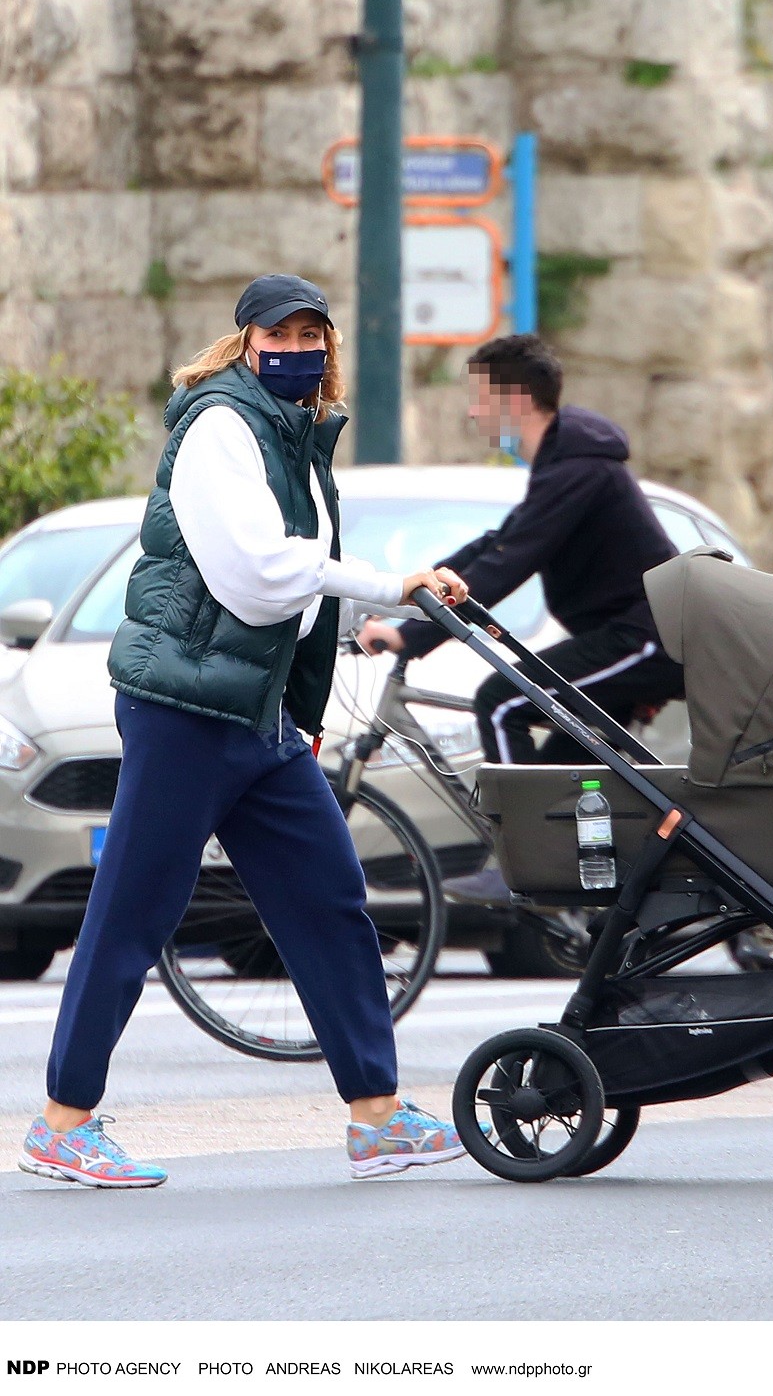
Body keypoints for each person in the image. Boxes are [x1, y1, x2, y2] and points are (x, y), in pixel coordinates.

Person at [20, 273, 470, 1189]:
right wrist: (391, 584)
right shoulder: (221, 428)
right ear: (246, 343)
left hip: (255, 719)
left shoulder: (297, 433)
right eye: (280, 335)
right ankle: (62, 1123)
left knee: (331, 901)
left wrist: (304, 703)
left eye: (314, 333)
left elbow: (294, 603)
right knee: (135, 908)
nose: (297, 348)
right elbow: (261, 577)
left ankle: (376, 1115)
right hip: (185, 711)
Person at [357, 332, 685, 904]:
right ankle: (599, 889)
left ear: (514, 401)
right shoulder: (563, 463)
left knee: (501, 701)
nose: (471, 409)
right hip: (626, 636)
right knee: (568, 767)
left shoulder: (579, 470)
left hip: (647, 637)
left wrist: (411, 635)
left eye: (480, 396)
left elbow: (509, 563)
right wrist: (412, 593)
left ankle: (527, 866)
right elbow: (499, 541)